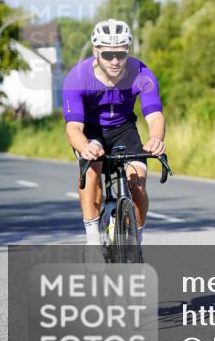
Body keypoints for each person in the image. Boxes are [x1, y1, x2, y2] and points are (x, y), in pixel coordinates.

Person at [62, 18, 165, 248]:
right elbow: (73, 128)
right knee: (92, 171)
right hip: (90, 130)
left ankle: (137, 239)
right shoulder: (77, 77)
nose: (115, 61)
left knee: (137, 184)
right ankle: (92, 240)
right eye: (108, 55)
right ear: (95, 50)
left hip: (123, 129)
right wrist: (85, 147)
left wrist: (156, 138)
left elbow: (154, 115)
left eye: (121, 53)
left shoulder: (142, 73)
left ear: (128, 50)